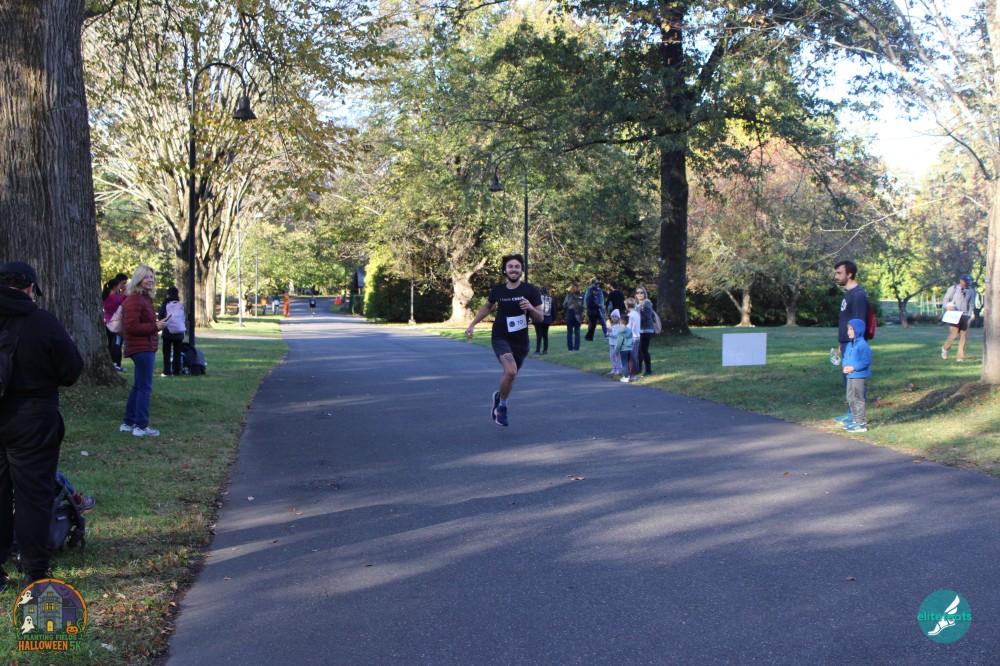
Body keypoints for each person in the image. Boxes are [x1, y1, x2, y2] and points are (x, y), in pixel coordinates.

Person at [0, 261, 84, 590]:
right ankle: (34, 571)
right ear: (31, 288)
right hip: (33, 416)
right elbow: (71, 370)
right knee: (33, 494)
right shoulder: (42, 321)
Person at [465, 254, 543, 427]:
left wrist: (530, 307)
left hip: (521, 341)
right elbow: (487, 307)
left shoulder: (530, 290)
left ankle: (499, 397)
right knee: (511, 371)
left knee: (510, 375)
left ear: (522, 270)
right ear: (505, 270)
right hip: (501, 336)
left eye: (517, 267)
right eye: (510, 267)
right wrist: (472, 324)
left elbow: (540, 318)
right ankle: (502, 407)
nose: (513, 270)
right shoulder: (498, 290)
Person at [120, 265, 166, 437]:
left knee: (139, 386)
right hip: (141, 348)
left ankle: (128, 423)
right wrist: (155, 326)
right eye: (146, 277)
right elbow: (131, 327)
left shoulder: (144, 298)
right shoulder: (135, 299)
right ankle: (141, 426)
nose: (150, 280)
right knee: (145, 387)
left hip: (145, 346)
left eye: (152, 277)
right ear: (138, 279)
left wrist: (156, 325)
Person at [833, 260, 870, 424]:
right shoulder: (849, 294)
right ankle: (851, 413)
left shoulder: (858, 295)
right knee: (848, 383)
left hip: (854, 346)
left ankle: (857, 418)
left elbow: (859, 324)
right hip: (846, 344)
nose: (836, 276)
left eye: (839, 273)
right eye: (835, 273)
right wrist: (842, 343)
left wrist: (853, 346)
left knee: (855, 383)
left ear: (850, 274)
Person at [841, 318, 872, 433]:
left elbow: (866, 361)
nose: (849, 331)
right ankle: (855, 420)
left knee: (858, 397)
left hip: (858, 375)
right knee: (850, 398)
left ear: (858, 330)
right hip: (849, 375)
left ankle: (861, 423)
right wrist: (845, 366)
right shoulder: (850, 344)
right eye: (848, 329)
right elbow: (845, 358)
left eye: (851, 329)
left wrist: (853, 368)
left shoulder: (863, 345)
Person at [941, 274, 976, 362]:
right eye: (966, 282)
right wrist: (947, 306)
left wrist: (969, 314)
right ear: (961, 281)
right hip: (954, 315)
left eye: (968, 282)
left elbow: (971, 304)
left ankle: (960, 356)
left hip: (965, 315)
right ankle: (945, 349)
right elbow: (945, 299)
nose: (967, 284)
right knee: (953, 335)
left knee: (963, 336)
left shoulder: (971, 291)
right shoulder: (953, 288)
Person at [102, 273, 128, 372]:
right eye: (123, 283)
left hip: (107, 322)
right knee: (117, 344)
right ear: (116, 286)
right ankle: (117, 364)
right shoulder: (116, 297)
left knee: (109, 344)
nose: (124, 286)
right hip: (117, 323)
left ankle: (111, 363)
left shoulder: (105, 296)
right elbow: (124, 305)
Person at [157, 286, 186, 377]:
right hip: (179, 332)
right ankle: (176, 370)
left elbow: (160, 316)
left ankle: (167, 371)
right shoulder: (180, 305)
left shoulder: (166, 304)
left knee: (166, 352)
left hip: (168, 331)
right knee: (177, 352)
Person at [634, 285, 655, 376]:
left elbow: (647, 317)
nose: (639, 294)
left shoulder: (647, 303)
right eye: (637, 292)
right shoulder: (638, 304)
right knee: (639, 350)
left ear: (644, 293)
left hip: (646, 330)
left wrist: (635, 323)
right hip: (639, 330)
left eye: (641, 292)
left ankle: (648, 371)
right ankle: (639, 369)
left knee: (644, 350)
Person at [614, 310, 635, 383]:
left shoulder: (620, 331)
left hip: (623, 349)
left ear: (620, 322)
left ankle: (626, 377)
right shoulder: (629, 330)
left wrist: (616, 350)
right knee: (628, 363)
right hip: (630, 348)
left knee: (624, 363)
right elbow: (632, 339)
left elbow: (619, 341)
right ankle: (628, 375)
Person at [563, 282, 584, 352]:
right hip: (578, 316)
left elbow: (564, 305)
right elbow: (583, 306)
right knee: (577, 332)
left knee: (569, 332)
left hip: (570, 315)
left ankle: (570, 348)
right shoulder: (582, 296)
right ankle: (577, 348)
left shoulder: (568, 295)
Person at [533, 287, 554, 355]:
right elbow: (553, 311)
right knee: (545, 335)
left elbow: (533, 309)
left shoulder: (537, 299)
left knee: (538, 336)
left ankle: (537, 350)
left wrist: (532, 318)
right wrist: (552, 320)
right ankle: (545, 350)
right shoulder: (550, 299)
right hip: (547, 320)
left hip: (537, 320)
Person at [625, 298, 641, 378]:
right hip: (637, 336)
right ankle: (636, 372)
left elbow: (629, 328)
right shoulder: (637, 314)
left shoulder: (629, 315)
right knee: (635, 355)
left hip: (632, 337)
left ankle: (632, 374)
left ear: (627, 306)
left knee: (631, 356)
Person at [606, 310, 623, 377]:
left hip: (617, 343)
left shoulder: (619, 326)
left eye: (615, 316)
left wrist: (611, 334)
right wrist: (607, 335)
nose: (614, 318)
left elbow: (618, 335)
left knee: (618, 356)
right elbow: (608, 334)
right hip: (611, 343)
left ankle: (619, 369)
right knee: (612, 356)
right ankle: (614, 368)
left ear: (618, 318)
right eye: (612, 316)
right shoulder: (610, 326)